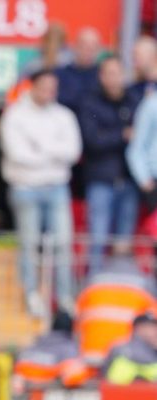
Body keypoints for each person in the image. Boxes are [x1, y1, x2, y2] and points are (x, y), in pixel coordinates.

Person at [0, 69, 81, 317]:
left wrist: (40, 148)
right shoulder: (15, 114)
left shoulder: (64, 116)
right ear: (32, 86)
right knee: (29, 245)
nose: (49, 92)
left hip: (57, 187)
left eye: (52, 88)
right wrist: (54, 154)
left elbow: (74, 152)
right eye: (44, 87)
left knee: (64, 245)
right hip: (25, 188)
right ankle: (32, 295)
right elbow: (17, 154)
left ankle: (66, 298)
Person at [79, 57, 139, 273]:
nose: (114, 79)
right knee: (98, 238)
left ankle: (119, 290)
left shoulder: (133, 100)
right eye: (109, 73)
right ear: (101, 76)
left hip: (129, 180)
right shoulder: (90, 102)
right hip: (101, 180)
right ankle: (94, 284)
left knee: (123, 243)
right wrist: (122, 135)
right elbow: (92, 140)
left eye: (118, 73)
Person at [55, 27, 101, 114]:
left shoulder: (102, 76)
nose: (88, 51)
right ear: (75, 46)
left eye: (92, 47)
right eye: (84, 46)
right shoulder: (60, 75)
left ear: (98, 50)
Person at [104, 313, 157, 385]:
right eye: (148, 327)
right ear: (137, 328)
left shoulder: (152, 348)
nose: (153, 331)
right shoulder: (123, 349)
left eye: (154, 327)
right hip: (123, 392)